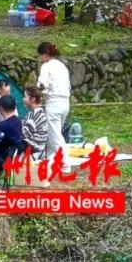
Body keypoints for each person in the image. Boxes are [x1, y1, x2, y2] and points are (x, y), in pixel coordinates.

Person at [37, 41, 71, 172]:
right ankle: (50, 158)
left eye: (40, 56)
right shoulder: (62, 66)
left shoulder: (47, 66)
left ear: (45, 55)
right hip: (65, 103)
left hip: (54, 103)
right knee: (54, 133)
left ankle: (65, 163)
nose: (40, 59)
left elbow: (42, 85)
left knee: (55, 135)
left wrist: (38, 93)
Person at [21, 86, 48, 160]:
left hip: (35, 149)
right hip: (34, 147)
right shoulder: (38, 112)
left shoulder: (36, 114)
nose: (23, 99)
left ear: (33, 99)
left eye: (25, 97)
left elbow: (24, 133)